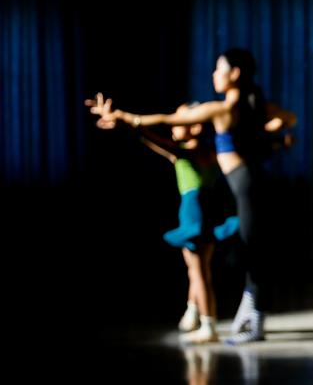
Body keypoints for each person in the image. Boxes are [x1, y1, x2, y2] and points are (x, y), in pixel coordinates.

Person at [89, 48, 296, 345]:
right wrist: (263, 131)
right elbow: (288, 119)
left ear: (235, 74)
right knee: (250, 251)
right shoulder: (253, 108)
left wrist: (124, 117)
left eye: (219, 69)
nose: (214, 74)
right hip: (246, 182)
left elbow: (169, 119)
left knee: (252, 253)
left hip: (244, 183)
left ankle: (255, 321)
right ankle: (248, 315)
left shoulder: (222, 109)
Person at [85, 97, 239, 343]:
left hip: (194, 212)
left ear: (195, 126)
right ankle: (193, 310)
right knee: (198, 268)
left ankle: (208, 323)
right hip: (209, 210)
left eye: (180, 120)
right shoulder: (211, 151)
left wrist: (125, 123)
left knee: (198, 271)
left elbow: (151, 139)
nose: (174, 125)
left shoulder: (185, 152)